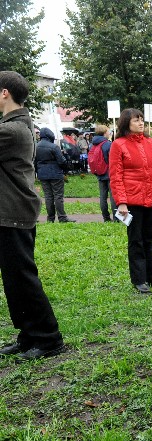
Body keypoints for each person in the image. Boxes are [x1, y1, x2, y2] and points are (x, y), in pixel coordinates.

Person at [0, 71, 66, 361]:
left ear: (4, 93)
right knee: (14, 279)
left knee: (22, 277)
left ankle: (49, 338)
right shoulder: (16, 125)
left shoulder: (12, 130)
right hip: (11, 211)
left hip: (13, 212)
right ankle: (29, 334)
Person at [109, 108, 152, 294]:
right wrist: (121, 202)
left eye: (142, 119)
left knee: (150, 238)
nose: (141, 123)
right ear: (126, 123)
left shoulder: (151, 143)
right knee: (136, 240)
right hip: (132, 201)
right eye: (136, 120)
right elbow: (116, 176)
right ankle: (139, 279)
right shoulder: (118, 145)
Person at [34, 128, 76, 223]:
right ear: (50, 135)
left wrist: (37, 172)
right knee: (58, 196)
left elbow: (34, 162)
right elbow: (61, 161)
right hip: (55, 173)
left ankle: (50, 218)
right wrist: (65, 168)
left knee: (48, 196)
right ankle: (62, 217)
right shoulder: (54, 147)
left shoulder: (36, 147)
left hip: (42, 174)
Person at [90, 125, 116, 222]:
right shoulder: (108, 144)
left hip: (100, 173)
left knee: (103, 197)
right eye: (108, 131)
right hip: (110, 173)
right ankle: (116, 218)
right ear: (105, 133)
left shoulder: (93, 144)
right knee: (113, 196)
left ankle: (106, 218)